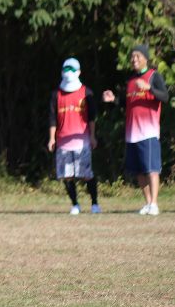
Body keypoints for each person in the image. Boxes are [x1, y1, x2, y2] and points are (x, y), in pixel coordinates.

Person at [103, 44, 170, 215]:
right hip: (132, 133)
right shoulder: (131, 81)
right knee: (139, 171)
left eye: (137, 56)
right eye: (132, 57)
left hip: (148, 132)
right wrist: (114, 100)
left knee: (151, 169)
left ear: (145, 58)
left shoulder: (154, 76)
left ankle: (154, 204)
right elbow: (127, 103)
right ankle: (147, 203)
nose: (134, 60)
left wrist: (150, 88)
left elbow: (165, 97)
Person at [48, 58, 100, 215]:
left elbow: (92, 118)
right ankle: (75, 204)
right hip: (63, 142)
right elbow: (52, 118)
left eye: (71, 69)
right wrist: (52, 138)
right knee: (67, 175)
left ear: (79, 72)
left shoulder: (86, 92)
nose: (68, 72)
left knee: (86, 175)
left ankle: (94, 204)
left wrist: (92, 136)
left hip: (82, 141)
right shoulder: (56, 94)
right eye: (66, 69)